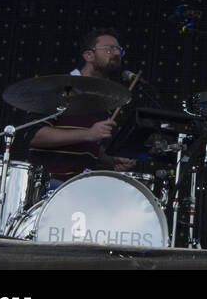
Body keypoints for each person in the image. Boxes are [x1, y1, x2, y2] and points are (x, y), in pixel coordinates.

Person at [28, 28, 136, 188]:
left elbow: (87, 144)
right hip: (48, 184)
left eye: (119, 50)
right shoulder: (60, 88)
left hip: (80, 187)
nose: (116, 53)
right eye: (109, 49)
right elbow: (35, 136)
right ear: (88, 55)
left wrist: (111, 159)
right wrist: (88, 134)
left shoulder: (103, 98)